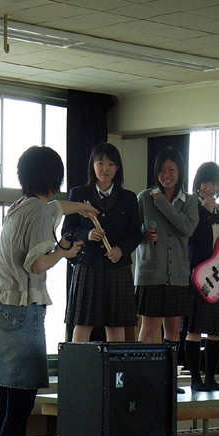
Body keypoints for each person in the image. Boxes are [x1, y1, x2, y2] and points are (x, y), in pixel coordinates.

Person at [0, 145, 98, 436]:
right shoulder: (38, 210)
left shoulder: (19, 206)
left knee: (8, 404)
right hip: (23, 312)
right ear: (54, 178)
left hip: (1, 312)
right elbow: (37, 264)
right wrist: (63, 251)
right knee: (20, 408)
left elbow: (56, 208)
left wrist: (82, 207)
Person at [62, 142, 141, 342]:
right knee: (82, 323)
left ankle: (114, 364)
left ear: (117, 168)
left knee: (116, 326)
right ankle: (78, 363)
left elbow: (135, 233)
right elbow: (67, 230)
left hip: (118, 266)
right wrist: (87, 235)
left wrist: (121, 249)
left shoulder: (128, 198)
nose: (105, 169)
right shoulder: (79, 194)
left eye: (111, 164)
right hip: (87, 265)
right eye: (100, 163)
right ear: (93, 165)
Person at [135, 147, 199, 387]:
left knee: (173, 328)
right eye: (162, 169)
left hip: (178, 275)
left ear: (180, 172)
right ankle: (143, 380)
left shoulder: (189, 201)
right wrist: (144, 236)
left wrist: (162, 203)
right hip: (150, 274)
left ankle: (169, 381)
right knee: (148, 327)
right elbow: (131, 233)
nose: (166, 174)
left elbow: (187, 228)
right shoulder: (144, 198)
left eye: (171, 169)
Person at [184, 161, 219, 391]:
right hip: (196, 273)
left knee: (216, 330)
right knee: (194, 329)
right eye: (206, 182)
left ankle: (211, 378)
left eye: (215, 183)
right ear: (198, 182)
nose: (210, 187)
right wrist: (204, 210)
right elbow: (189, 236)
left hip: (218, 273)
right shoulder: (190, 206)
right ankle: (195, 379)